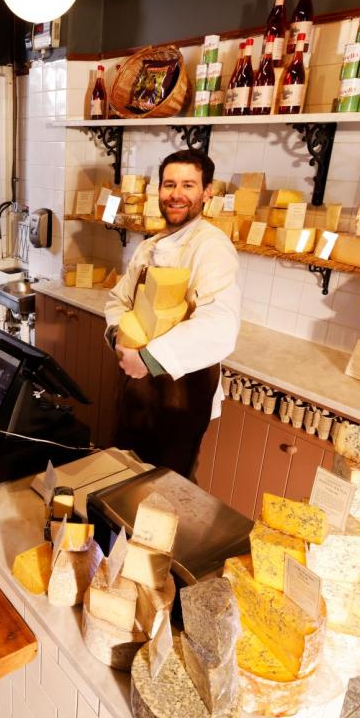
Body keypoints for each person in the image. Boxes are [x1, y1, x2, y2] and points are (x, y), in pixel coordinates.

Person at [104, 149, 240, 477]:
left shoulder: (212, 247)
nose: (176, 195)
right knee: (122, 474)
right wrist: (118, 339)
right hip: (136, 386)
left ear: (206, 192)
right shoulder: (150, 246)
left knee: (165, 490)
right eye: (169, 185)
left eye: (188, 185)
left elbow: (220, 325)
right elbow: (117, 300)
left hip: (180, 393)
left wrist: (149, 358)